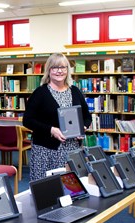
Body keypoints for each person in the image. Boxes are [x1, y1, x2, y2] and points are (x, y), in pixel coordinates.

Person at [23, 53, 92, 181]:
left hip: (72, 149)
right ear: (48, 70)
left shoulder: (75, 91)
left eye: (63, 67)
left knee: (72, 187)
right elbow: (27, 120)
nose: (59, 71)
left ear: (67, 70)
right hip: (46, 151)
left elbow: (87, 116)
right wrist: (51, 130)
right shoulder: (40, 93)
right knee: (47, 189)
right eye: (55, 67)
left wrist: (83, 127)